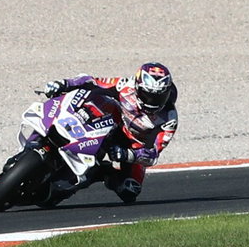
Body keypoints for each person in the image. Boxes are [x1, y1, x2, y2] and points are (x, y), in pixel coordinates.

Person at [36, 63, 178, 204]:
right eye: (148, 95)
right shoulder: (125, 85)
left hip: (130, 146)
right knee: (87, 101)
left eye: (159, 97)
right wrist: (64, 83)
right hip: (106, 123)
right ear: (137, 86)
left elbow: (153, 154)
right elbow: (91, 81)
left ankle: (99, 172)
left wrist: (128, 154)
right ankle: (40, 136)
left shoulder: (169, 119)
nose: (152, 101)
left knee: (129, 190)